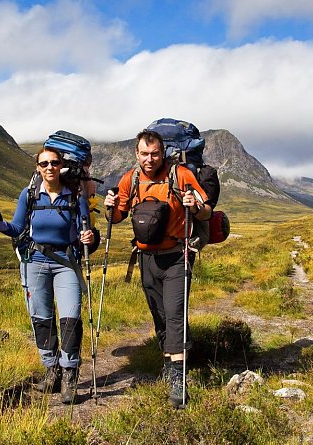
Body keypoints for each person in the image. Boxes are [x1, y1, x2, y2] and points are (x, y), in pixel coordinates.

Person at [0, 144, 100, 404]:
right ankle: (52, 371)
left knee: (70, 317)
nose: (50, 168)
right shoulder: (29, 195)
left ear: (61, 166)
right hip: (33, 261)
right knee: (41, 318)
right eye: (44, 164)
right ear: (38, 168)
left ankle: (70, 375)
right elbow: (16, 228)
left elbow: (87, 234)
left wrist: (88, 238)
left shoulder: (75, 195)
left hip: (66, 262)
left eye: (54, 163)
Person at [103, 129, 211, 407]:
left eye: (154, 154)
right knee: (160, 316)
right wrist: (109, 207)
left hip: (177, 255)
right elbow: (117, 217)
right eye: (144, 154)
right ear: (136, 154)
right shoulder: (131, 178)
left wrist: (195, 206)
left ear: (163, 153)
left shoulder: (181, 175)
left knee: (175, 314)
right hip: (146, 258)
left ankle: (178, 377)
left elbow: (206, 210)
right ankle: (170, 362)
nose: (149, 159)